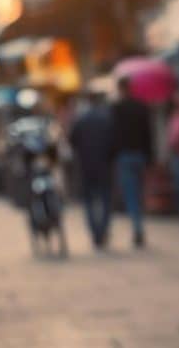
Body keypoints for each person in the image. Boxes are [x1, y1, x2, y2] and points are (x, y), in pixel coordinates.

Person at [111, 77, 153, 248]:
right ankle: (139, 223)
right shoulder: (141, 107)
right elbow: (148, 134)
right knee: (139, 192)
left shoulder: (116, 109)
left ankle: (137, 226)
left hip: (125, 155)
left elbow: (112, 134)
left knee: (131, 194)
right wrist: (150, 156)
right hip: (140, 155)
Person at [69, 94, 115, 249]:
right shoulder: (106, 120)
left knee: (89, 202)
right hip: (104, 165)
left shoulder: (81, 120)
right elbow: (113, 143)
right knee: (106, 200)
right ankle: (102, 230)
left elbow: (72, 141)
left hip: (86, 166)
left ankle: (95, 233)